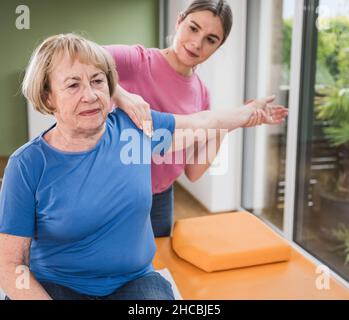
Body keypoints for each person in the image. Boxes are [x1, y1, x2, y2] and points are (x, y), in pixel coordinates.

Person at [0, 33, 287, 300]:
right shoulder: (27, 165)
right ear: (48, 96)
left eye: (98, 81)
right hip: (59, 286)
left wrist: (250, 112)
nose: (90, 95)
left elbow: (203, 122)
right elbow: (10, 264)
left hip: (133, 283)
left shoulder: (134, 132)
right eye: (73, 85)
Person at [104, 0, 260, 237]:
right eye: (193, 28)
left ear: (218, 46)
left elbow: (194, 171)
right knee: (114, 268)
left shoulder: (202, 93)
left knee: (159, 266)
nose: (197, 43)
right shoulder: (137, 61)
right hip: (116, 194)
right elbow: (79, 58)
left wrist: (228, 124)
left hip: (161, 198)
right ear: (179, 21)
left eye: (211, 39)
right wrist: (122, 95)